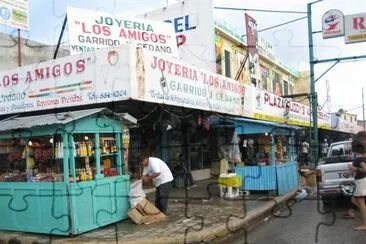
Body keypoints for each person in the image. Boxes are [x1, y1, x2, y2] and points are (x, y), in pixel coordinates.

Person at [347, 131, 366, 230]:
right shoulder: (361, 158)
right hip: (362, 181)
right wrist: (351, 171)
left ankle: (364, 224)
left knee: (360, 202)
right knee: (353, 199)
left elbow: (364, 169)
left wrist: (355, 169)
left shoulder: (359, 159)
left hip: (361, 182)